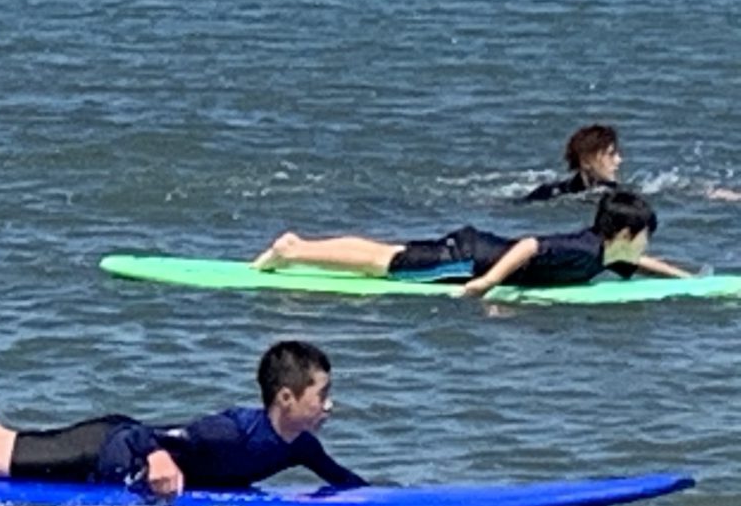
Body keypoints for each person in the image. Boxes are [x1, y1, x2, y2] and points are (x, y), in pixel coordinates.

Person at [0, 340, 364, 501]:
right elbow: (150, 438)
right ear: (285, 399)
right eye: (323, 395)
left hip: (110, 442)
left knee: (1, 440)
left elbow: (353, 488)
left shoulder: (298, 448)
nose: (330, 406)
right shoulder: (233, 429)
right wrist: (161, 459)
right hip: (106, 449)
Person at [254, 188, 689, 297]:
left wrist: (688, 279)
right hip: (468, 263)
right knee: (381, 263)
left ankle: (298, 245)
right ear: (627, 235)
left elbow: (646, 264)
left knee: (383, 254)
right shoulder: (583, 250)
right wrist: (487, 284)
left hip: (472, 248)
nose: (647, 246)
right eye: (646, 235)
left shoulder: (608, 252)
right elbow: (531, 245)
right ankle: (295, 250)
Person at [519, 123, 621, 202]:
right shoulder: (549, 193)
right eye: (610, 154)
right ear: (586, 161)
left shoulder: (616, 194)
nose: (618, 160)